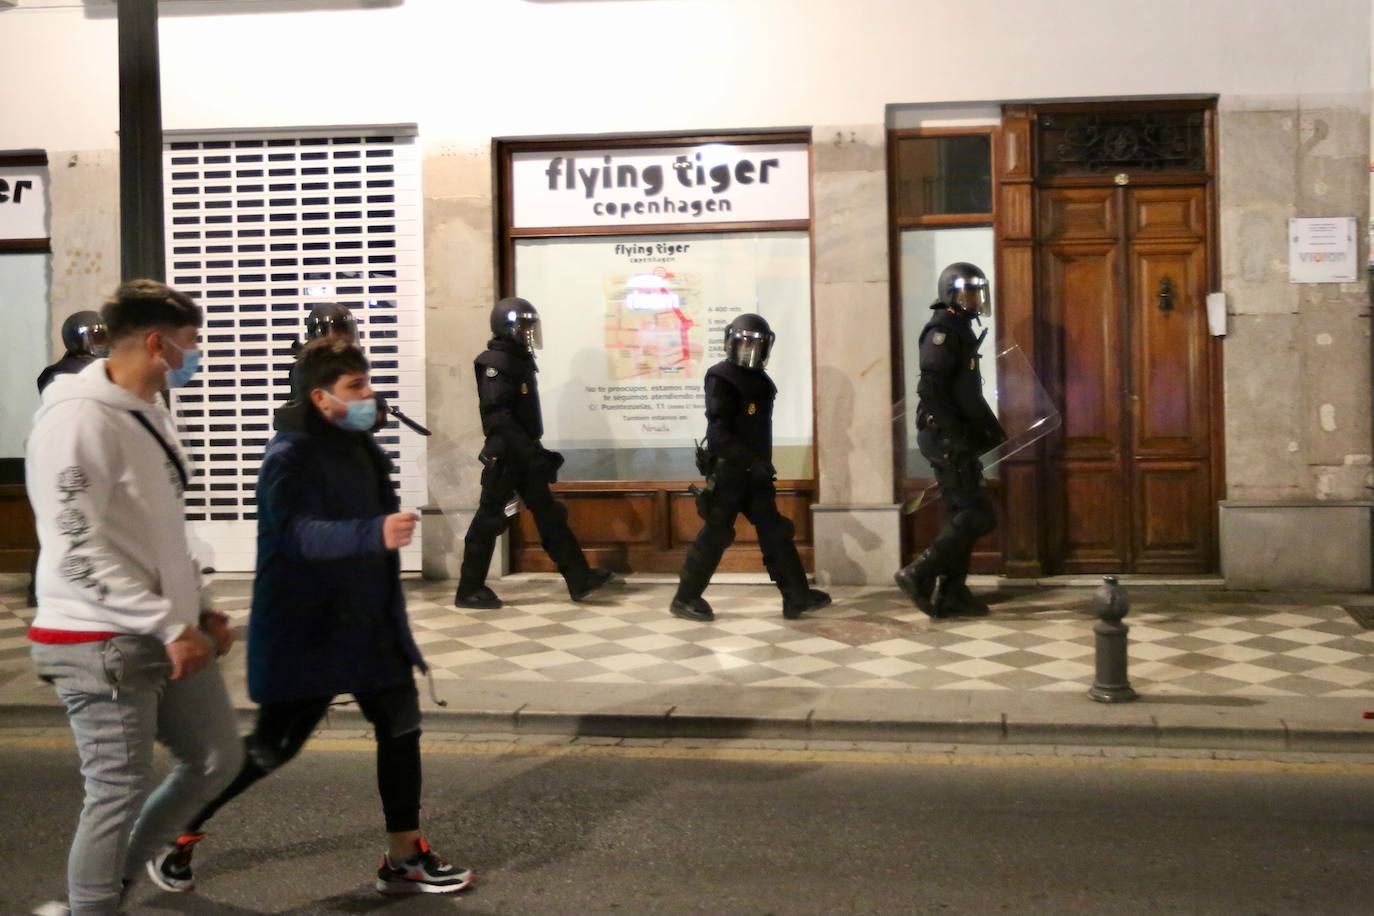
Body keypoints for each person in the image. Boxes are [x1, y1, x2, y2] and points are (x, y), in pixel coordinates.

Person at [145, 337, 473, 897]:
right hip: (307, 629)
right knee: (274, 747)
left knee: (401, 726)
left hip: (366, 624)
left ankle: (403, 857)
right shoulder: (288, 455)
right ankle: (177, 831)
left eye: (368, 383)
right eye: (357, 388)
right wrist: (374, 532)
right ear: (323, 398)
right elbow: (293, 535)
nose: (371, 396)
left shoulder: (360, 445)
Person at [27, 280, 242, 915]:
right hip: (98, 638)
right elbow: (76, 547)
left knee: (214, 758)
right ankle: (91, 905)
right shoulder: (75, 420)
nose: (195, 355)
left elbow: (158, 526)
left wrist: (195, 606)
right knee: (114, 789)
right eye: (190, 344)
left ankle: (112, 886)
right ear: (156, 344)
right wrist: (164, 622)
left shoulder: (146, 409)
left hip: (162, 626)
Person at [453, 297, 614, 609]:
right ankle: (468, 588)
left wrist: (534, 453)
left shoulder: (518, 359)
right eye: (522, 326)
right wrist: (531, 453)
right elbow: (499, 417)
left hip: (524, 452)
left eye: (530, 327)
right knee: (488, 520)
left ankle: (579, 578)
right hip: (508, 455)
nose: (528, 333)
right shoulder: (495, 362)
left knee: (549, 516)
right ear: (506, 327)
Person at [670, 313, 831, 623]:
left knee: (775, 533)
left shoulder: (760, 379)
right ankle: (685, 597)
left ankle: (796, 596)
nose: (750, 352)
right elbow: (719, 433)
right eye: (744, 344)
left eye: (756, 346)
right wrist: (750, 462)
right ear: (731, 343)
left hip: (755, 476)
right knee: (715, 535)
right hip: (730, 474)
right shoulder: (721, 376)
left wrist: (758, 466)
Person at [893, 262, 1007, 618]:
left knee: (962, 512)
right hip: (944, 437)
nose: (975, 298)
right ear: (951, 294)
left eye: (977, 291)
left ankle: (952, 593)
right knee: (977, 513)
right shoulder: (942, 329)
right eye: (968, 291)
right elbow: (931, 389)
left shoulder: (959, 328)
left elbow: (963, 391)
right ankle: (919, 572)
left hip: (954, 436)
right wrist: (955, 440)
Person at [28, 312, 112, 606]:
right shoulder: (60, 373)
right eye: (97, 336)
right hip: (66, 452)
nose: (103, 343)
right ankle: (45, 587)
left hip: (89, 452)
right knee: (62, 520)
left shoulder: (98, 369)